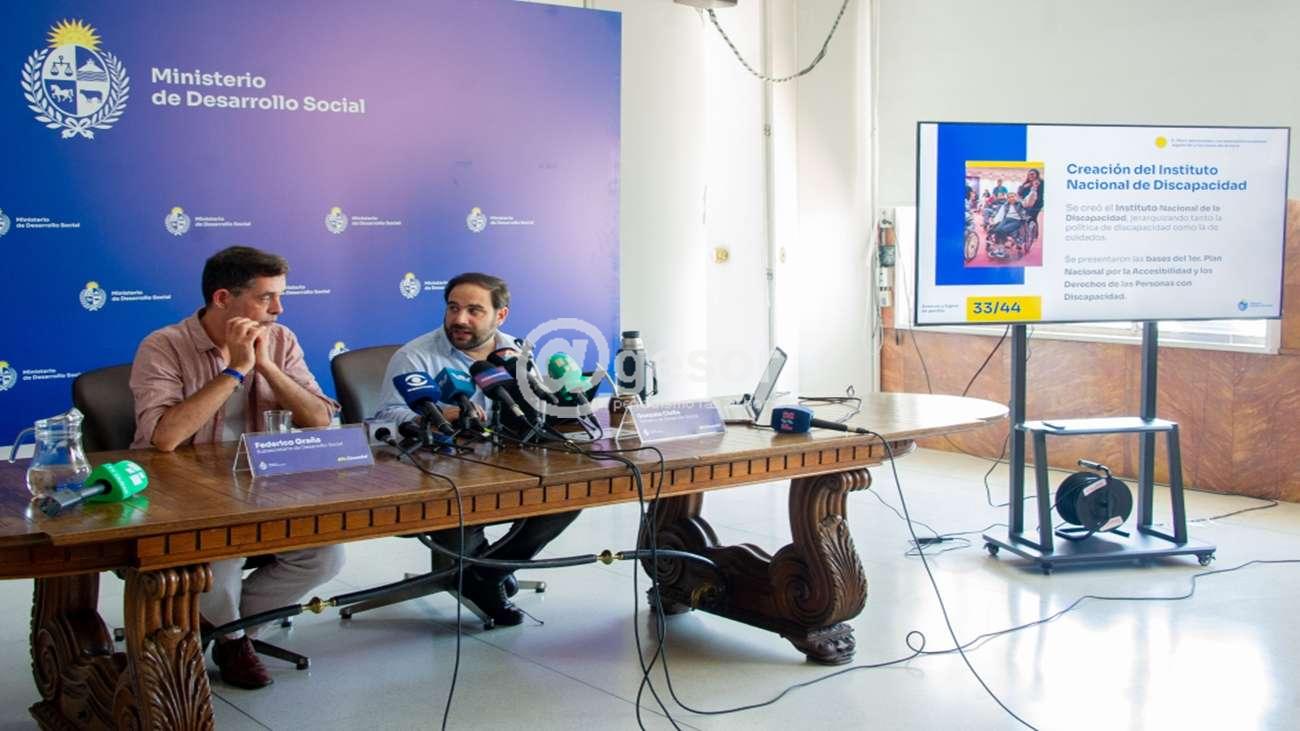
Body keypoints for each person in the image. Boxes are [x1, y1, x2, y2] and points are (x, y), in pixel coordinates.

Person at [130, 245, 345, 689]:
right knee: (221, 559)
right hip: (183, 492)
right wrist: (236, 370)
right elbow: (165, 438)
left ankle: (225, 628)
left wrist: (265, 365)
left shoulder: (281, 339)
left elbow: (319, 418)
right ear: (223, 298)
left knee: (325, 555)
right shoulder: (164, 345)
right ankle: (233, 643)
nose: (278, 309)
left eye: (280, 296)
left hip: (260, 486)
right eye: (266, 298)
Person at [373, 272, 580, 626]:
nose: (460, 319)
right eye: (453, 308)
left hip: (505, 458)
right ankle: (487, 576)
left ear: (501, 315)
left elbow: (531, 407)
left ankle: (488, 572)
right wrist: (439, 415)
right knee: (466, 500)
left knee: (569, 491)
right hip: (439, 467)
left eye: (474, 310)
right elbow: (386, 416)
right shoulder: (415, 356)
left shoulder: (515, 352)